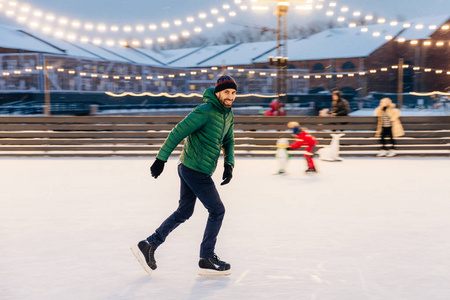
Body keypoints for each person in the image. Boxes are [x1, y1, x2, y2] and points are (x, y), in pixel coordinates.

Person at [133, 75, 237, 277]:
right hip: (194, 169)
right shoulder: (204, 111)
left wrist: (229, 164)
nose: (230, 96)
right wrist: (160, 159)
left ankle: (149, 244)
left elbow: (229, 140)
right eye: (227, 92)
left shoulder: (228, 114)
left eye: (233, 93)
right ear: (218, 93)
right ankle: (206, 257)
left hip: (195, 168)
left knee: (184, 212)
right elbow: (177, 132)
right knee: (217, 210)